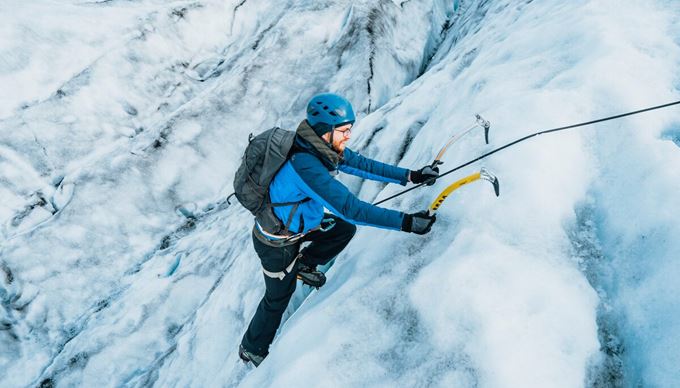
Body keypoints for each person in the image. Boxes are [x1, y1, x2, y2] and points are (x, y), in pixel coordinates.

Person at [239, 93, 439, 366]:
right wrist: (406, 222)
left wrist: (410, 175)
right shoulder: (305, 165)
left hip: (303, 225)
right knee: (277, 299)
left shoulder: (316, 147)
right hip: (277, 243)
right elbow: (351, 208)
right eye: (344, 131)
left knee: (342, 230)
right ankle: (252, 347)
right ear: (326, 131)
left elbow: (360, 164)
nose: (348, 137)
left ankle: (305, 265)